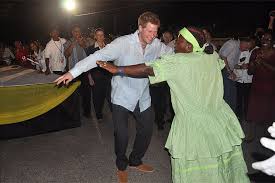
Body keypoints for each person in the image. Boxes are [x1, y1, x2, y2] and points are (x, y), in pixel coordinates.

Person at [96, 26, 250, 183]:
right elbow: (217, 60)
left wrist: (117, 69)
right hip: (219, 119)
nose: (175, 44)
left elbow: (148, 69)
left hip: (194, 123)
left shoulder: (179, 61)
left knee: (198, 163)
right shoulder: (211, 56)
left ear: (189, 46)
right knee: (219, 158)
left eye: (180, 41)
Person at [54, 11, 173, 183]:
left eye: (156, 32)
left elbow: (172, 53)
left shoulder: (156, 44)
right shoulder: (122, 43)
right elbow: (97, 56)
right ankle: (121, 165)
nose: (153, 36)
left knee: (146, 131)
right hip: (122, 96)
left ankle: (135, 161)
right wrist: (73, 73)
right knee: (122, 135)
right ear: (140, 28)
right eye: (149, 31)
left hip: (143, 96)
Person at [64, 25, 93, 118]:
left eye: (79, 31)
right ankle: (74, 114)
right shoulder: (68, 42)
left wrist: (82, 44)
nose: (77, 33)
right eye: (75, 31)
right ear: (72, 32)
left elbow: (89, 50)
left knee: (86, 93)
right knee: (73, 93)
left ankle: (87, 112)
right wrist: (73, 43)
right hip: (73, 71)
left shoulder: (85, 40)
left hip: (84, 71)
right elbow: (66, 54)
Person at [85, 28, 112, 120]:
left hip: (108, 76)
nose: (100, 37)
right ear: (95, 37)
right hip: (96, 77)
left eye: (102, 35)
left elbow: (112, 62)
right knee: (98, 98)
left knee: (111, 96)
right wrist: (89, 77)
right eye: (98, 35)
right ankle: (98, 114)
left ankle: (115, 113)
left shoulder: (109, 48)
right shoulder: (90, 49)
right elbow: (87, 64)